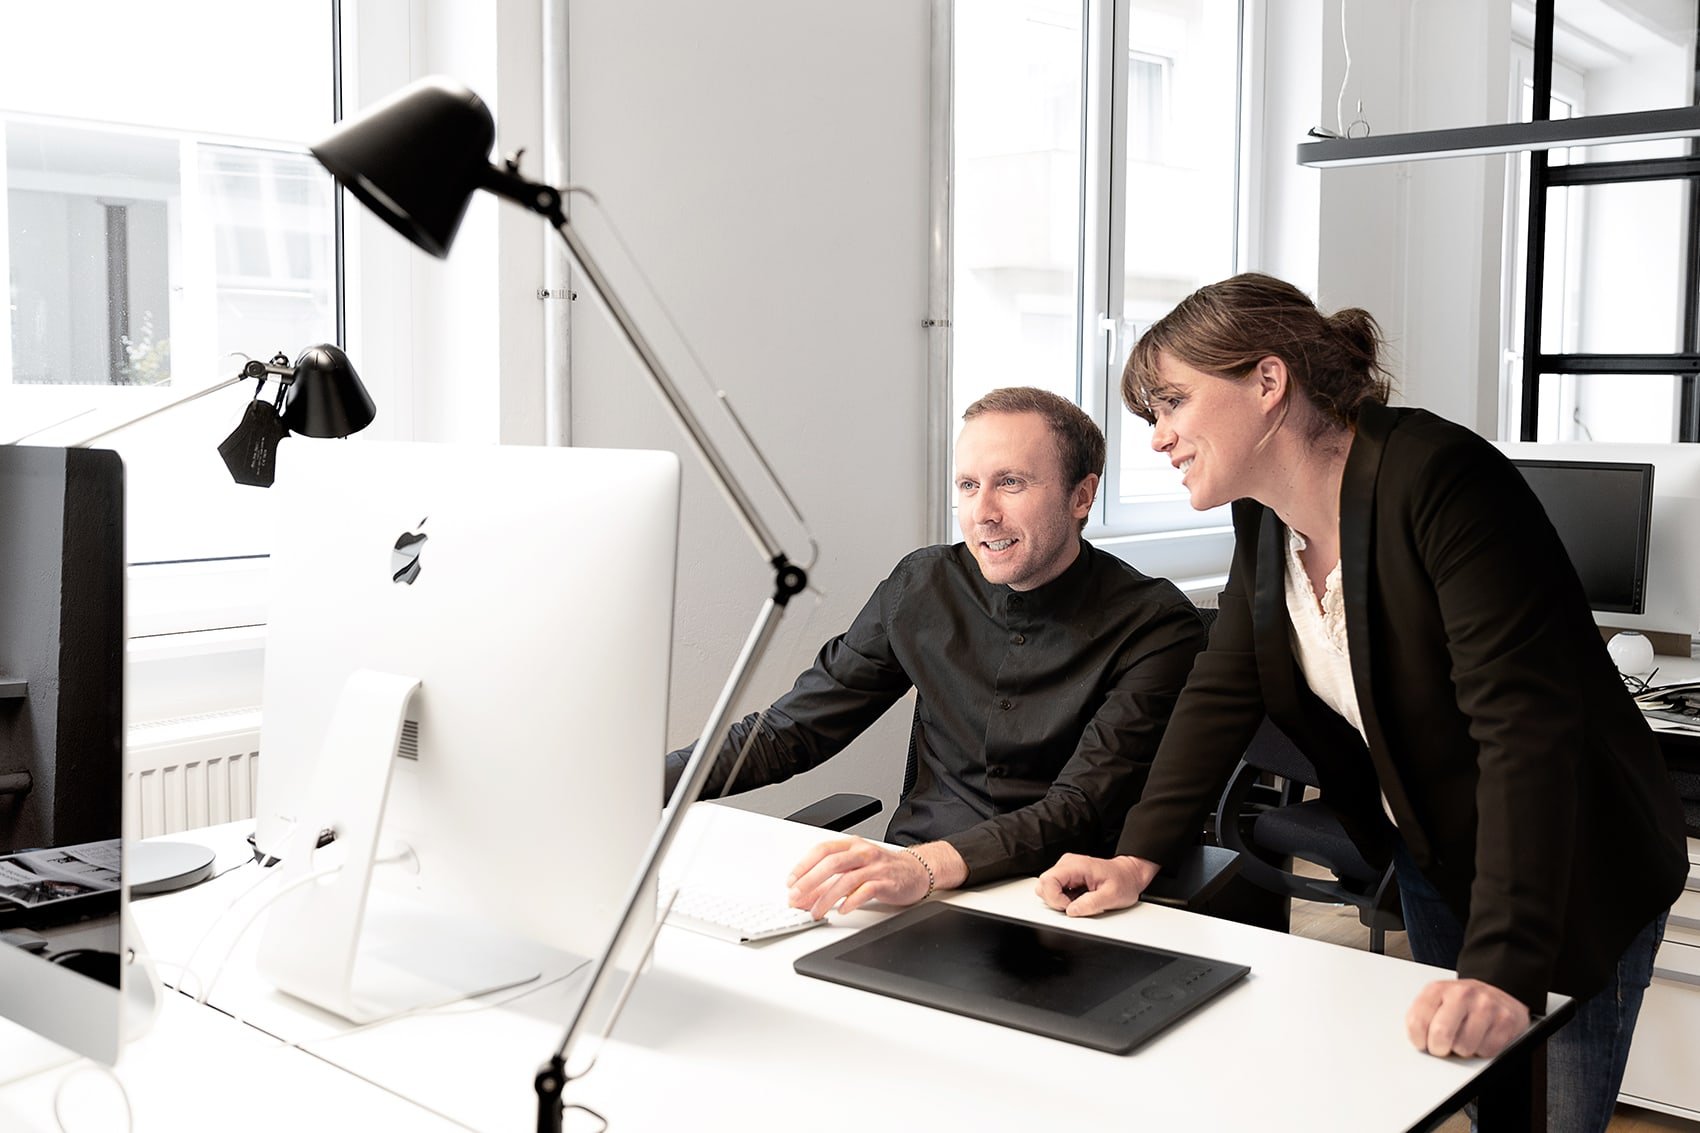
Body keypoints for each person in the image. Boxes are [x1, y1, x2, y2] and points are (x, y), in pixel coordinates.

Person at [1036, 273, 1688, 1133]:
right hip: (1435, 854)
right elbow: (1221, 689)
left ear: (1268, 383)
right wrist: (1138, 857)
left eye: (1171, 404)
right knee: (1473, 1098)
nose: (1158, 438)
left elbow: (1523, 730)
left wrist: (1501, 963)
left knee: (1551, 1117)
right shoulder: (1265, 520)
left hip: (1567, 861)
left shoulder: (1442, 479)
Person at [666, 386, 1206, 918]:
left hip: (1063, 899)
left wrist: (922, 868)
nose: (982, 513)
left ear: (1082, 496)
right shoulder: (924, 584)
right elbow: (793, 730)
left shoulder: (1156, 625)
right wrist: (636, 783)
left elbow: (1079, 806)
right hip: (904, 888)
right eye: (968, 485)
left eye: (1010, 483)